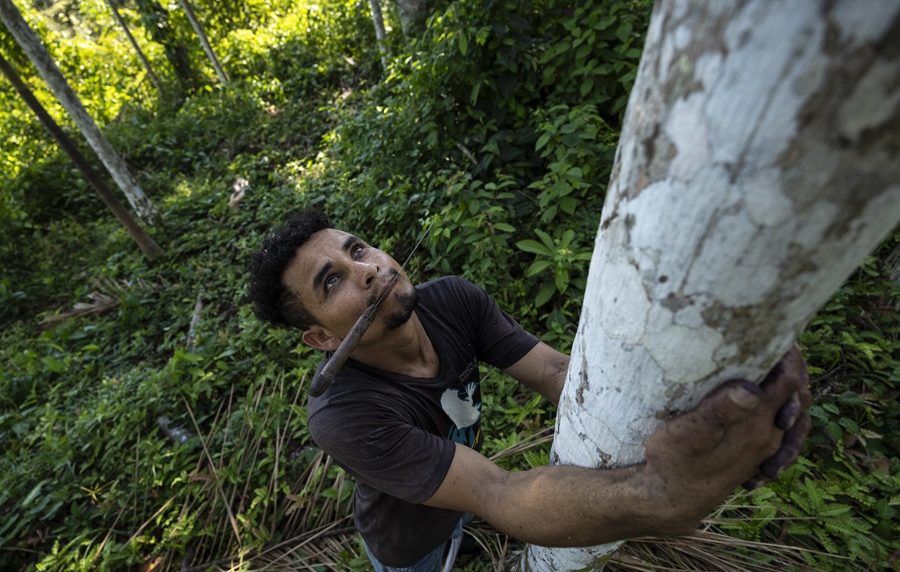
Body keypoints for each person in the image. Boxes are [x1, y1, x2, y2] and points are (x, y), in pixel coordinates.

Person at [248, 209, 812, 572]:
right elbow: (497, 491)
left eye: (358, 249)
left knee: (462, 520)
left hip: (456, 490)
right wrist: (655, 497)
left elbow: (554, 373)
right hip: (405, 540)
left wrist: (689, 397)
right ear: (322, 337)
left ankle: (461, 537)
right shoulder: (341, 416)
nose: (366, 270)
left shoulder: (455, 300)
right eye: (332, 281)